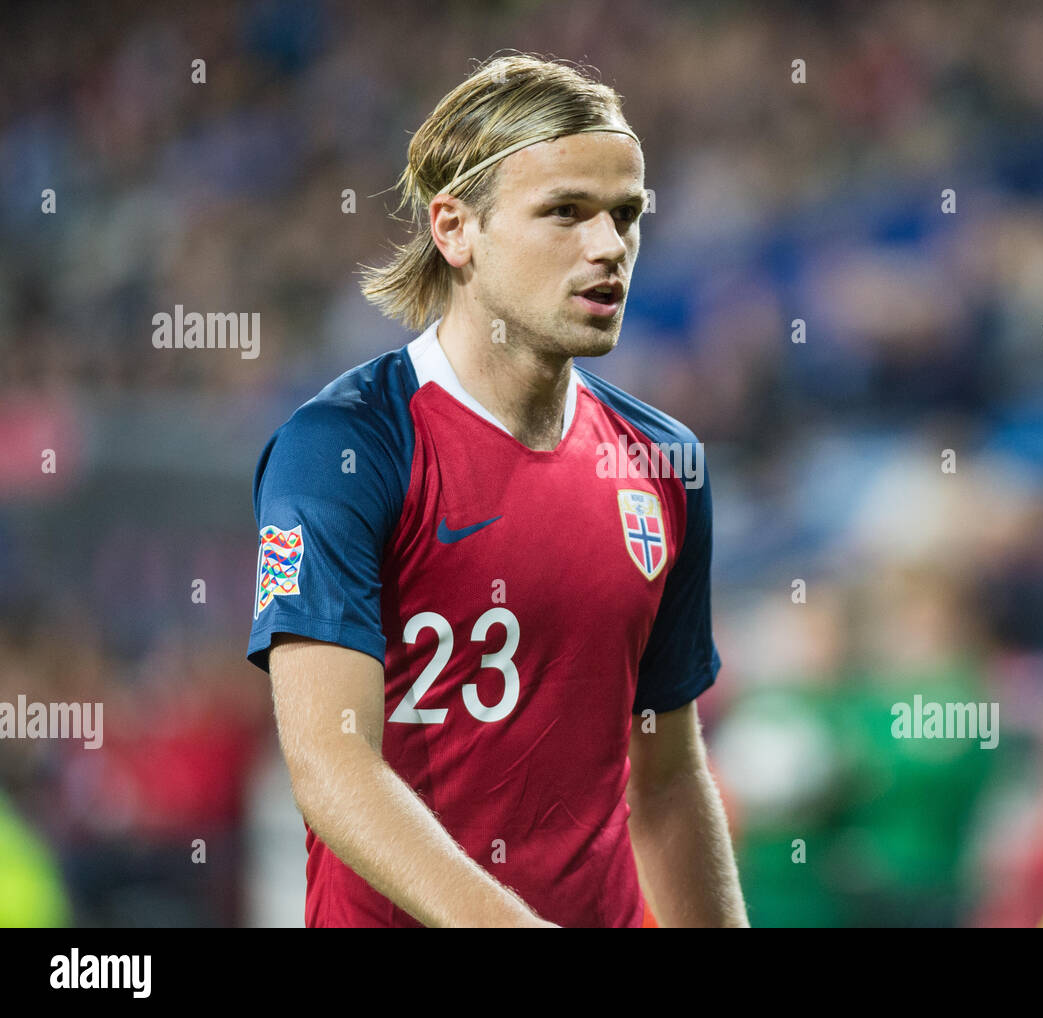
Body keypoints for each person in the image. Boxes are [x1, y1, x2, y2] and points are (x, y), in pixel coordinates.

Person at [245, 53, 748, 928]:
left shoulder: (666, 462)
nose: (608, 247)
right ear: (454, 228)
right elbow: (331, 759)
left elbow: (666, 780)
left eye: (626, 216)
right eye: (565, 212)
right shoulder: (345, 448)